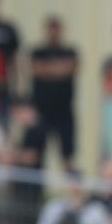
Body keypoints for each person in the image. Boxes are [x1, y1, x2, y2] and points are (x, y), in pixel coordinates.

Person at [29, 16, 78, 168]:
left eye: (56, 29)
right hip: (41, 111)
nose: (53, 33)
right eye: (50, 29)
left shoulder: (69, 51)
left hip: (64, 110)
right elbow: (35, 69)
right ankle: (36, 184)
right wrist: (58, 69)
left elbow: (71, 68)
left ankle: (70, 183)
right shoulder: (38, 52)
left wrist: (47, 68)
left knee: (67, 156)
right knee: (36, 153)